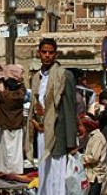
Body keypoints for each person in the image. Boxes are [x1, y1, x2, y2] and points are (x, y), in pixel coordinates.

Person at [26, 38, 78, 195]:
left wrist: (71, 141)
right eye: (44, 52)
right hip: (42, 133)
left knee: (57, 176)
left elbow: (70, 109)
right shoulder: (36, 78)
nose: (47, 55)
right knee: (44, 173)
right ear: (39, 53)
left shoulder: (64, 75)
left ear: (56, 54)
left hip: (58, 134)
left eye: (50, 52)